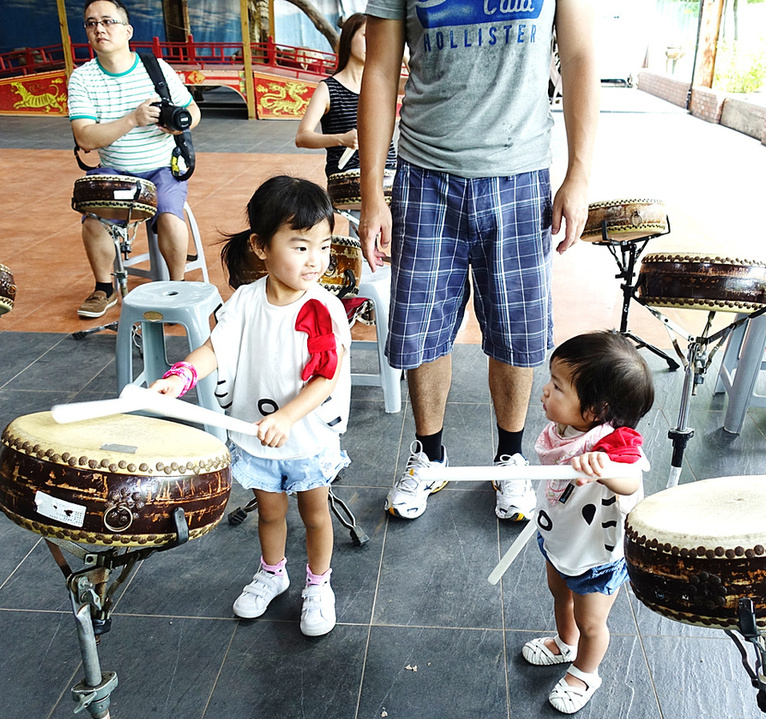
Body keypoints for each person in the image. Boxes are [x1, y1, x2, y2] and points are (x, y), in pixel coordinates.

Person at [356, 0, 599, 523]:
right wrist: (373, 190)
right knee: (422, 326)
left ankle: (510, 458)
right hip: (424, 172)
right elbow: (379, 70)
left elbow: (579, 56)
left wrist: (579, 173)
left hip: (520, 172)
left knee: (516, 328)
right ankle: (429, 455)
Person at [148, 176, 351, 637]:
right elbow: (215, 348)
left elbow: (325, 379)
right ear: (261, 246)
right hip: (258, 436)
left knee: (315, 513)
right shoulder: (244, 300)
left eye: (323, 246)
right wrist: (182, 374)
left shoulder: (321, 309)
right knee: (270, 511)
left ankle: (318, 584)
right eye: (300, 246)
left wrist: (286, 416)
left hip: (305, 437)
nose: (315, 260)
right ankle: (273, 572)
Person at [519, 331, 653, 714]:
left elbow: (633, 480)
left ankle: (585, 671)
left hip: (596, 556)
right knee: (559, 594)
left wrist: (607, 471)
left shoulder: (614, 446)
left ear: (595, 410)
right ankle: (565, 643)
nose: (545, 391)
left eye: (557, 387)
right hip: (560, 537)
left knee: (591, 621)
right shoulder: (566, 430)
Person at [68, 0, 201, 319]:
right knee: (93, 218)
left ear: (127, 30)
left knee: (170, 217)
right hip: (116, 171)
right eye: (90, 23)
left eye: (108, 21)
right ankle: (104, 288)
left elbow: (193, 113)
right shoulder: (83, 79)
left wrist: (176, 123)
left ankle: (178, 285)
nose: (99, 28)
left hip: (163, 168)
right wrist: (133, 119)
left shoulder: (155, 68)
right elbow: (85, 138)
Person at [294, 13, 397, 178]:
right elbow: (302, 137)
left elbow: (419, 82)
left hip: (389, 173)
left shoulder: (383, 83)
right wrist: (341, 139)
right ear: (349, 39)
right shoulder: (328, 89)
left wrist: (401, 54)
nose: (372, 42)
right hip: (348, 178)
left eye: (376, 37)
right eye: (366, 35)